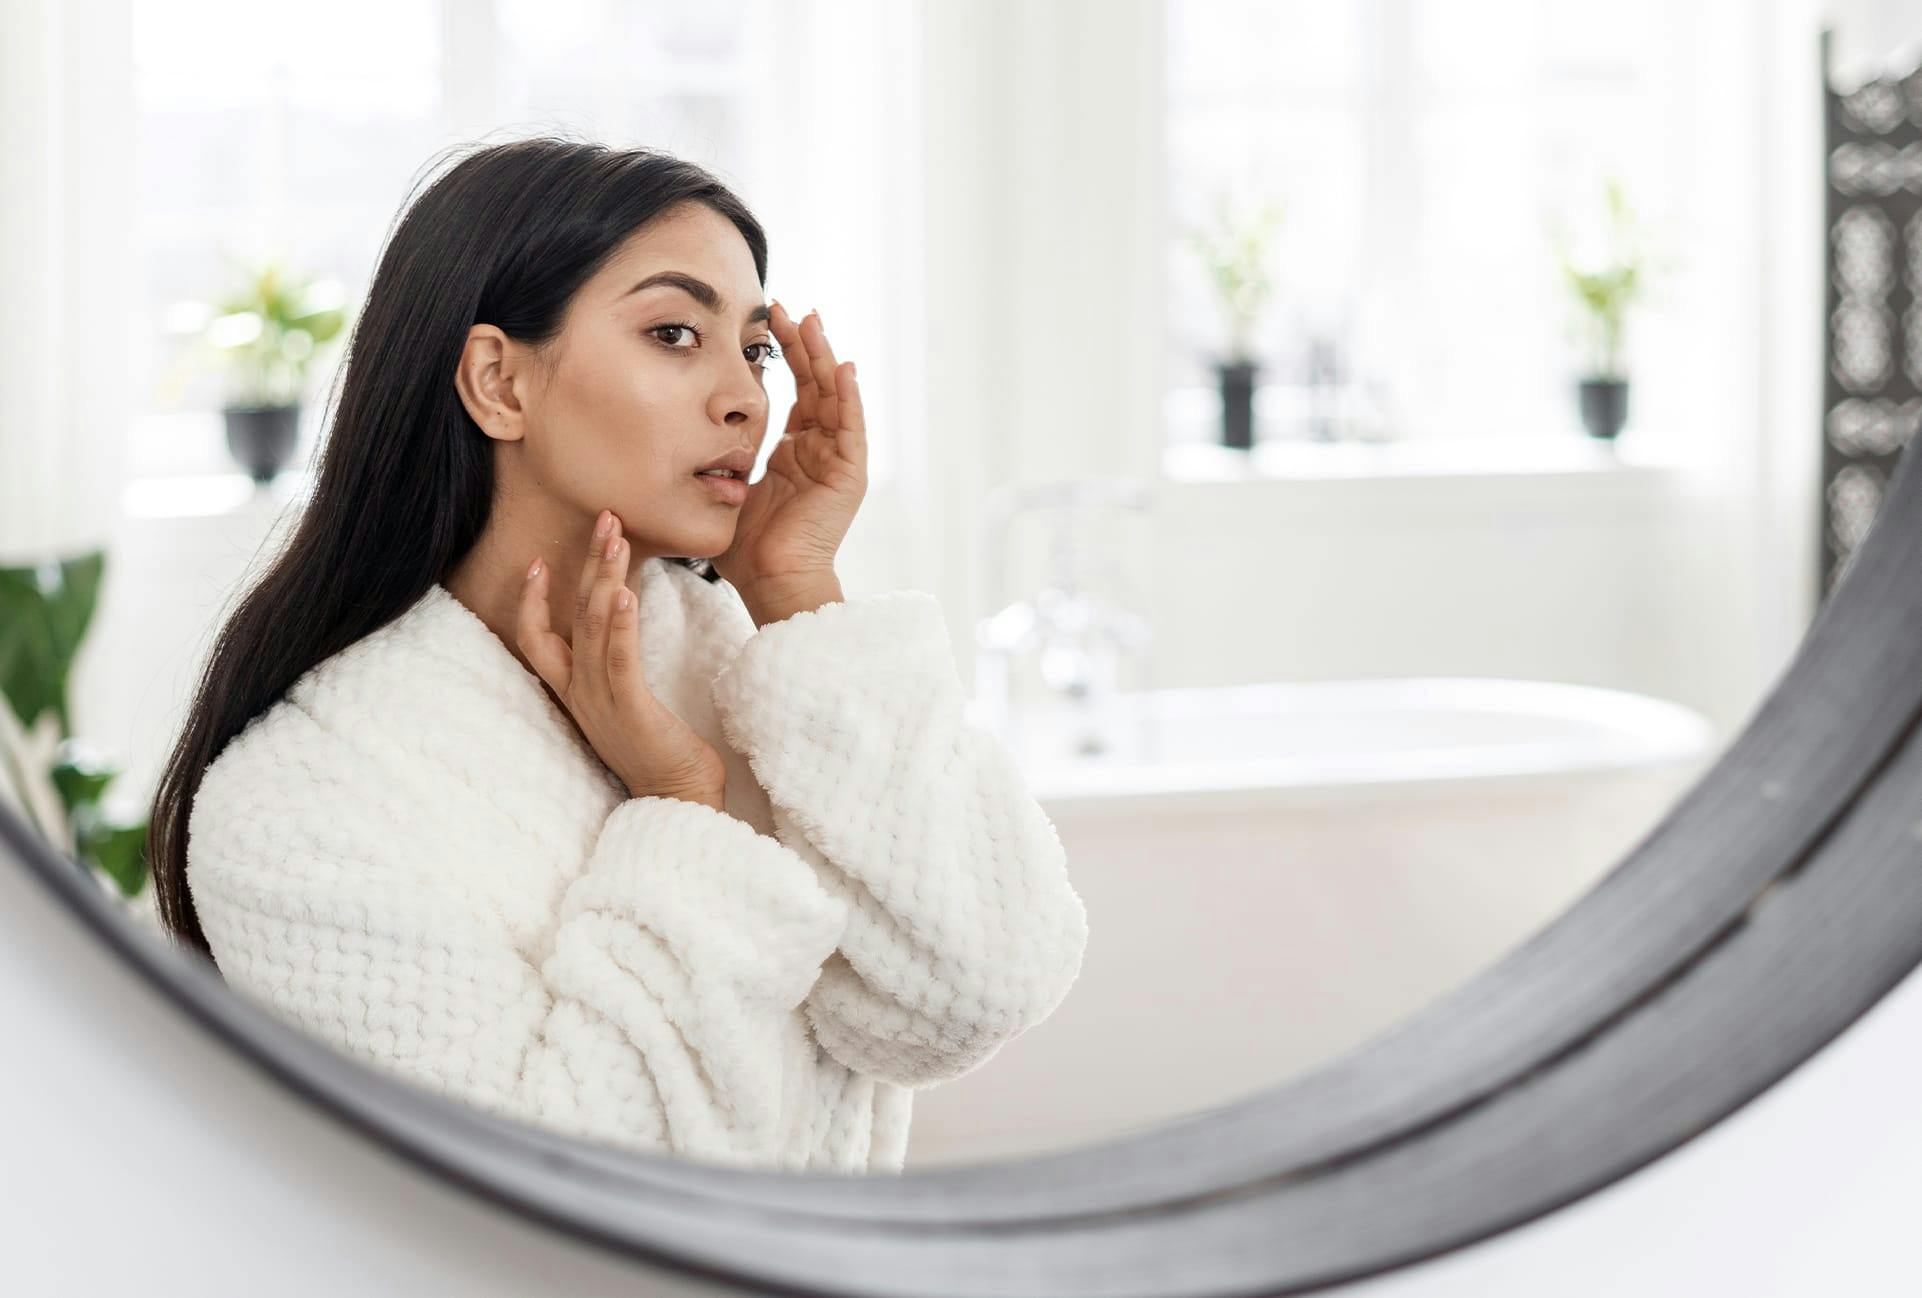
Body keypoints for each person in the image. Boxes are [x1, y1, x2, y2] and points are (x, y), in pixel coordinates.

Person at [145, 137, 1089, 1174]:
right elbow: (556, 1206)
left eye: (756, 348)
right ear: (498, 380)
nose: (744, 398)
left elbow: (975, 988)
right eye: (675, 332)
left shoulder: (745, 672)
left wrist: (797, 589)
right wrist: (683, 802)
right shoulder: (304, 804)